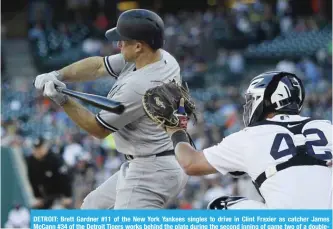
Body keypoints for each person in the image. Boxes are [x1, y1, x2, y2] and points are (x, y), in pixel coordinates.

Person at [33, 9, 188, 209]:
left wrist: (62, 100)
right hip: (156, 159)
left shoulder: (141, 86)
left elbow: (98, 129)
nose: (118, 44)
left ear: (139, 46)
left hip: (153, 171)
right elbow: (98, 67)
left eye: (123, 40)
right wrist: (58, 74)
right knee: (92, 208)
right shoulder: (159, 57)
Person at [166, 71, 332, 209]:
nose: (248, 105)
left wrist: (176, 129)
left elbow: (190, 163)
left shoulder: (250, 136)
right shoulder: (326, 126)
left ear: (265, 100)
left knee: (220, 206)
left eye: (251, 99)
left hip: (285, 222)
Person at [26, 137, 73, 209]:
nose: (38, 151)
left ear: (45, 147)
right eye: (36, 148)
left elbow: (65, 178)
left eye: (40, 148)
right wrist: (37, 196)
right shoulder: (32, 160)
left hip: (59, 194)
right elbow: (32, 179)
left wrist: (67, 195)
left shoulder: (55, 158)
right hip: (45, 194)